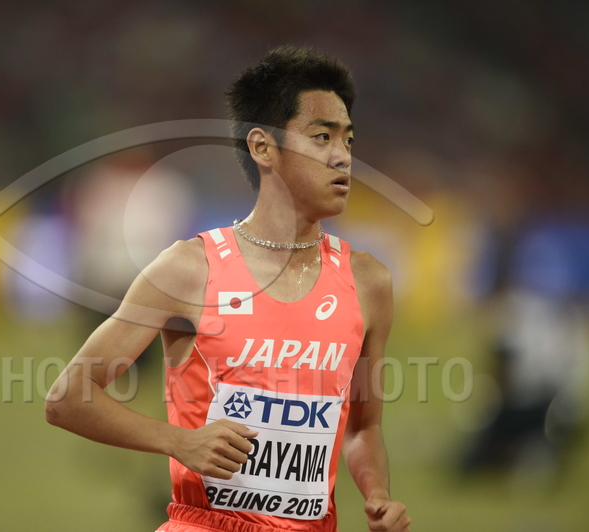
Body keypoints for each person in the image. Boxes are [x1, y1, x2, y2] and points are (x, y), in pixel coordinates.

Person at [46, 45, 411, 532]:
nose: (342, 155)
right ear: (263, 147)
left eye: (348, 139)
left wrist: (378, 496)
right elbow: (68, 397)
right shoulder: (189, 270)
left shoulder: (369, 282)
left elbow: (364, 428)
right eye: (322, 137)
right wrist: (179, 441)